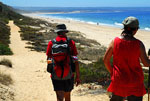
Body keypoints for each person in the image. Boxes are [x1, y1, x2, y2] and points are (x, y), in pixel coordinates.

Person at [103, 16, 150, 101]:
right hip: (135, 81)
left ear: (124, 28)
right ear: (135, 30)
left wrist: (112, 72)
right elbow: (146, 63)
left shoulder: (115, 42)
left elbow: (105, 60)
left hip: (119, 79)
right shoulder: (139, 44)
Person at [46, 24, 81, 101]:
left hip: (56, 74)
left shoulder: (51, 43)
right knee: (67, 96)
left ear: (57, 32)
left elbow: (49, 58)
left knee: (59, 97)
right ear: (65, 32)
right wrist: (77, 76)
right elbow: (75, 60)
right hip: (69, 74)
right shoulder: (71, 43)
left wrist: (51, 69)